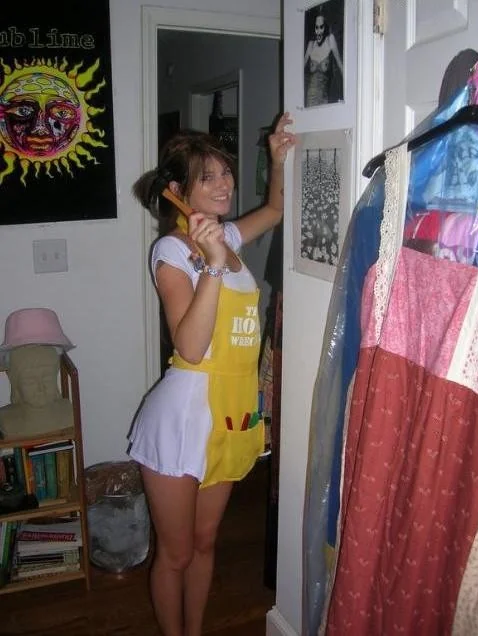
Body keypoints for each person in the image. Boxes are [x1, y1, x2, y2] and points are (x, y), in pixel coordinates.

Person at [127, 112, 295, 636]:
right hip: (181, 420)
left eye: (226, 173)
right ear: (179, 192)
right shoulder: (172, 251)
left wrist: (276, 159)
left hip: (230, 414)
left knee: (204, 544)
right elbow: (191, 348)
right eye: (209, 177)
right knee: (176, 554)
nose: (225, 185)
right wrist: (214, 264)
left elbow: (275, 209)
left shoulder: (228, 238)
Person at [0, 344, 73, 439]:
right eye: (30, 381)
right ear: (15, 383)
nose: (40, 388)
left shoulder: (68, 413)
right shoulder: (6, 420)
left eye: (47, 377)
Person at [304, 12, 343, 107]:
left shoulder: (330, 40)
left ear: (325, 27)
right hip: (310, 98)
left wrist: (349, 88)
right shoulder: (311, 45)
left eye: (321, 27)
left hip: (324, 98)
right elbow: (299, 71)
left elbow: (340, 64)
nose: (319, 31)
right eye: (316, 27)